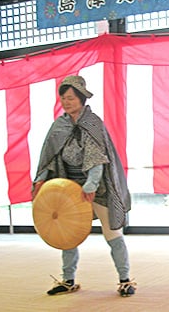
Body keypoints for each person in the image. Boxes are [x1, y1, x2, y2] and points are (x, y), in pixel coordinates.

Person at [32, 75, 136, 297]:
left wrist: (90, 185)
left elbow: (97, 157)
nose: (67, 102)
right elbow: (49, 156)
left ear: (81, 98)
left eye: (71, 97)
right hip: (67, 186)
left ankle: (125, 280)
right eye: (63, 98)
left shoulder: (92, 123)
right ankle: (68, 280)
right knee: (66, 234)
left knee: (113, 234)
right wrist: (41, 178)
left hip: (97, 189)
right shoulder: (59, 125)